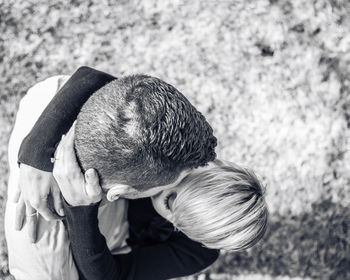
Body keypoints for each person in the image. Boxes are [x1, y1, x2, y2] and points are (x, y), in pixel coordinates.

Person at [5, 67, 267, 280]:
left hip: (111, 241)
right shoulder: (191, 155)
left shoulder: (197, 254)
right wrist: (37, 153)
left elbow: (110, 276)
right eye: (186, 180)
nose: (171, 183)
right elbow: (115, 91)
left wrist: (81, 207)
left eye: (171, 203)